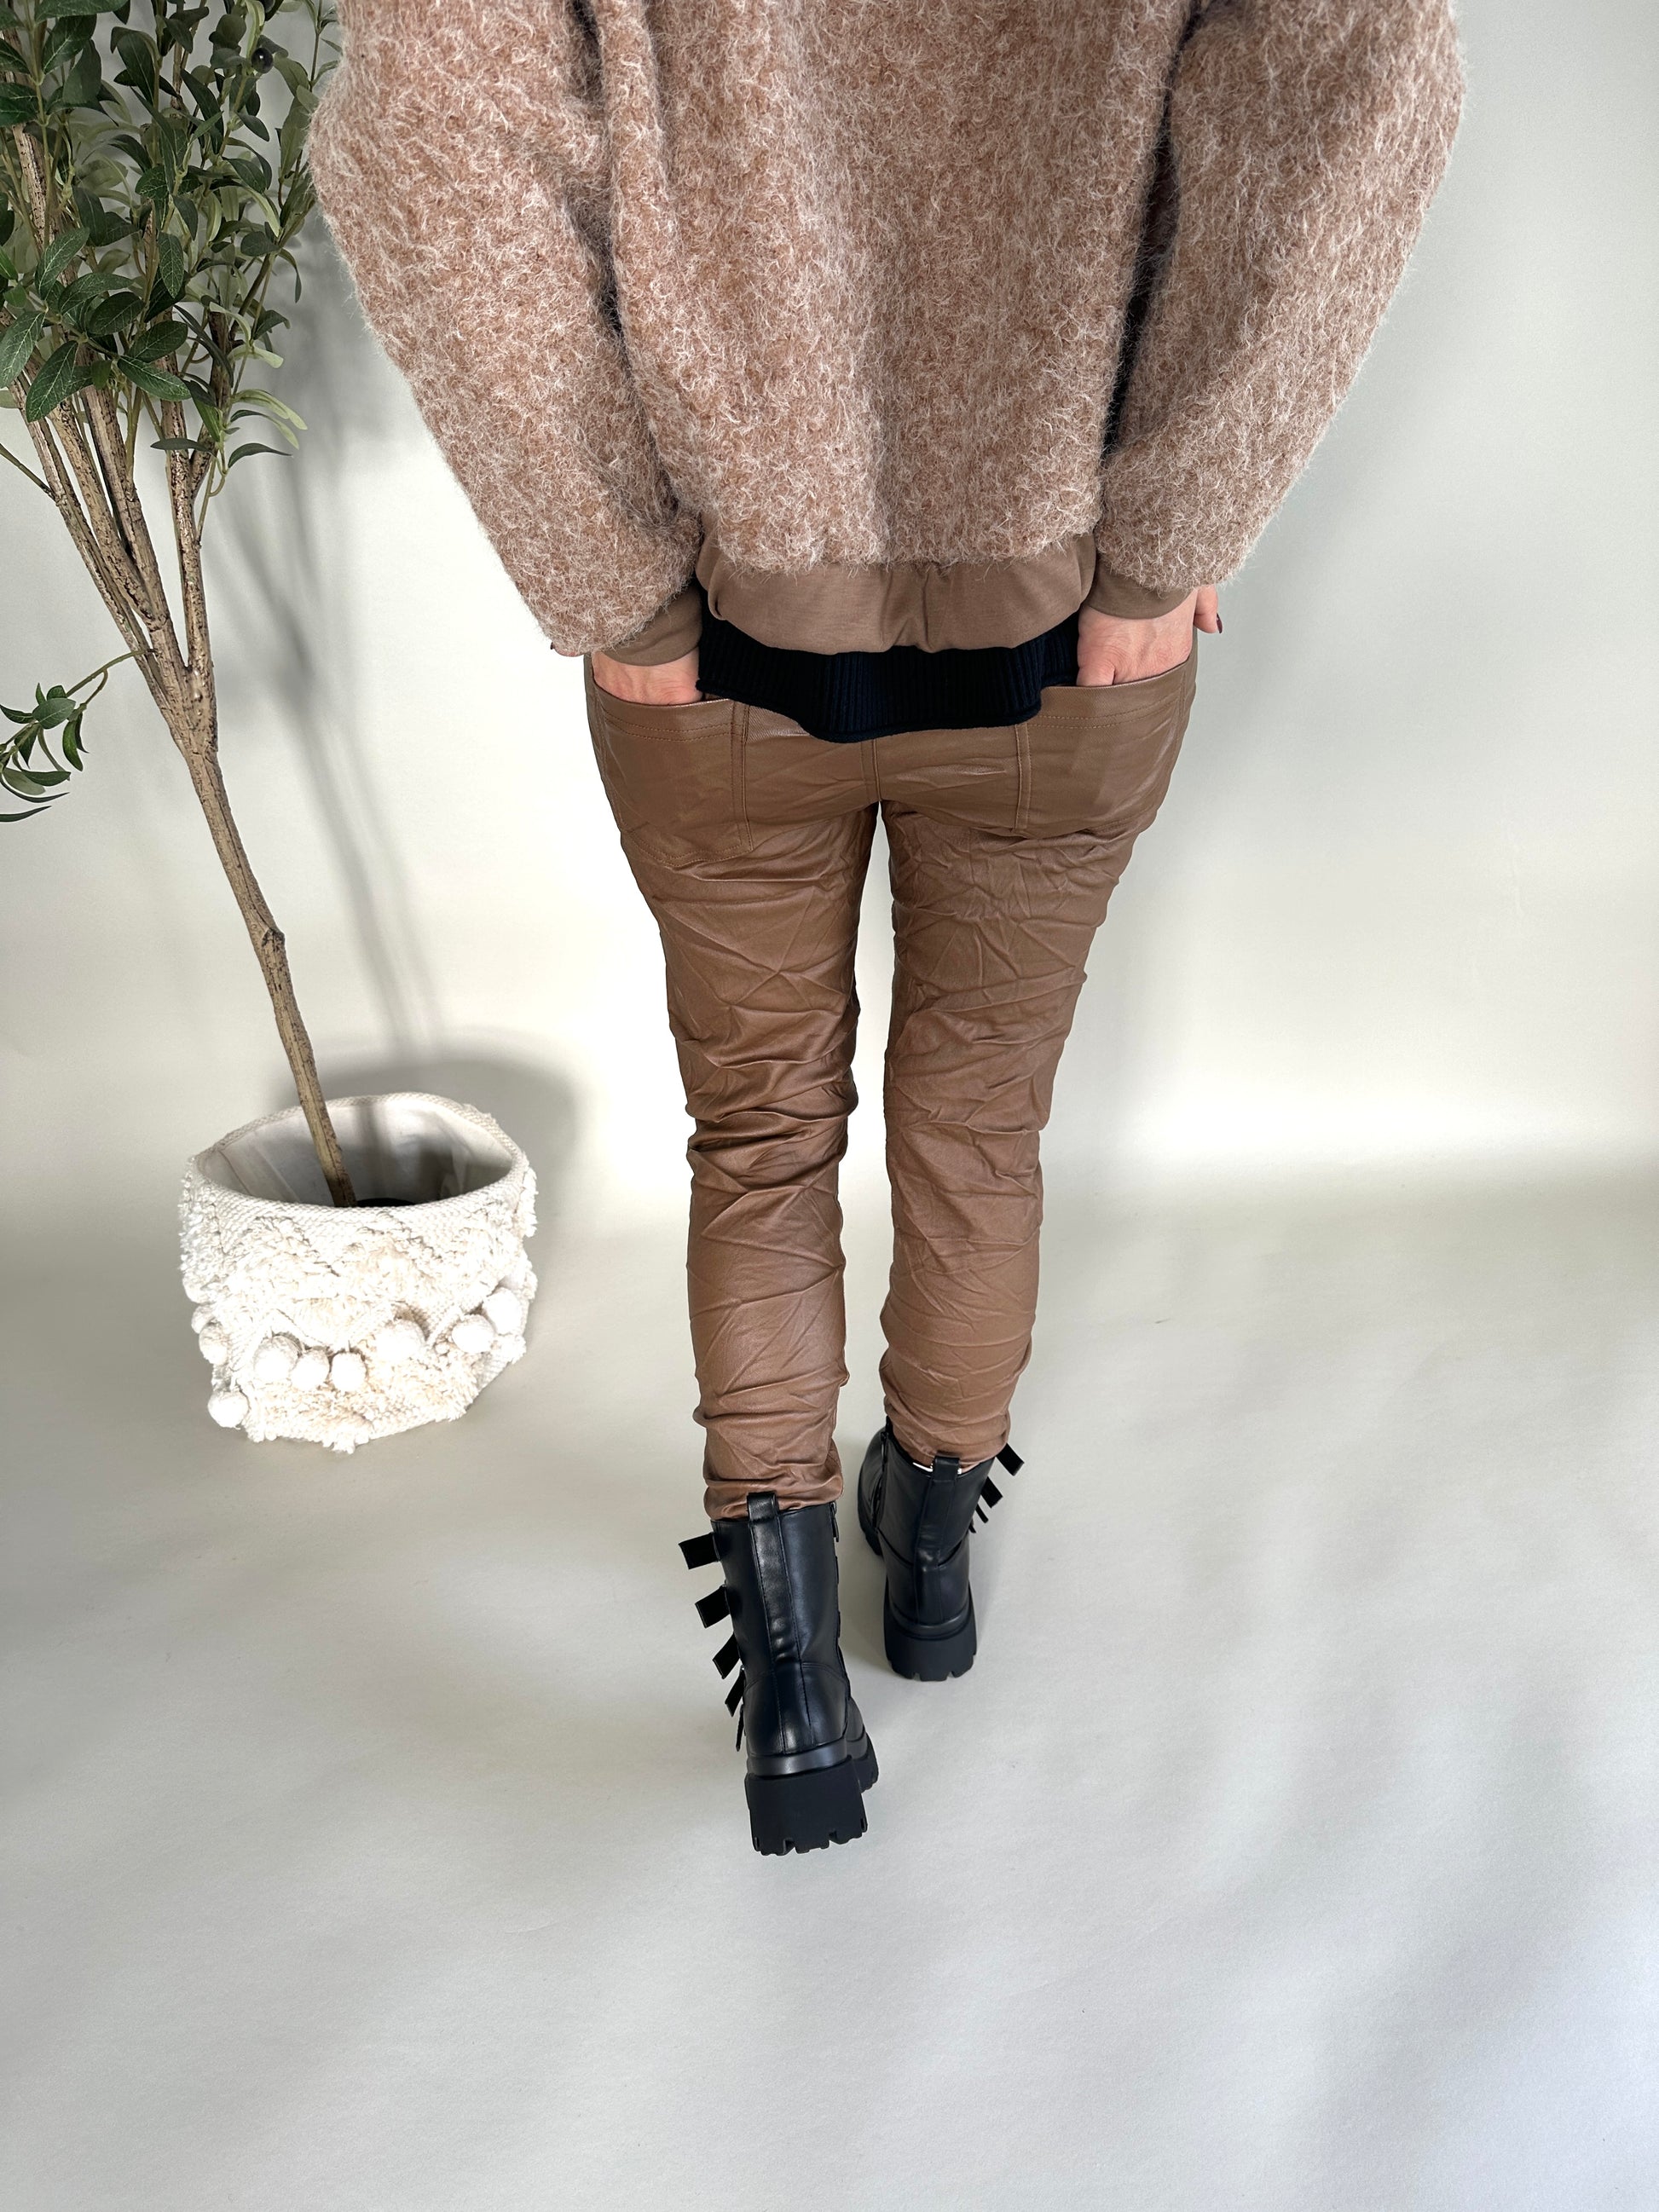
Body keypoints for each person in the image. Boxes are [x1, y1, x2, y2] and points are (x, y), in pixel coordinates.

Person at [309, 0, 1464, 1857]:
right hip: (1071, 639)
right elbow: (1355, 81)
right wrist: (1168, 535)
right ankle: (925, 1544)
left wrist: (608, 573)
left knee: (761, 1129)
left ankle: (788, 1676)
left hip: (716, 656)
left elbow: (434, 137)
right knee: (978, 1122)